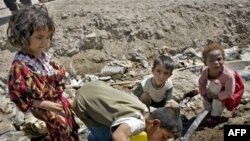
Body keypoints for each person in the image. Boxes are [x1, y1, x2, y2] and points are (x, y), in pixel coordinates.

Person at [7, 4, 79, 140]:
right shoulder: (21, 65)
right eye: (39, 37)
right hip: (43, 106)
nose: (45, 42)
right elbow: (17, 95)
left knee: (69, 127)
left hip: (56, 103)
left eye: (48, 37)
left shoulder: (42, 55)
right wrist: (44, 104)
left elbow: (54, 76)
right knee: (59, 128)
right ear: (23, 36)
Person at [72, 80, 182, 141]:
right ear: (155, 123)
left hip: (94, 87)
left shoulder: (144, 110)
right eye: (163, 137)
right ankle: (93, 137)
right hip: (83, 103)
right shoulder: (138, 122)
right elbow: (118, 136)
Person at [199, 42, 245, 127]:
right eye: (211, 61)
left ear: (223, 59)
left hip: (227, 90)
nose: (216, 63)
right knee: (209, 94)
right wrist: (204, 94)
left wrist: (217, 97)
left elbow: (229, 92)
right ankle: (208, 110)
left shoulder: (228, 75)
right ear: (205, 62)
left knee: (217, 95)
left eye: (219, 59)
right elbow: (202, 83)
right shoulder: (205, 71)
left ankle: (214, 117)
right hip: (217, 88)